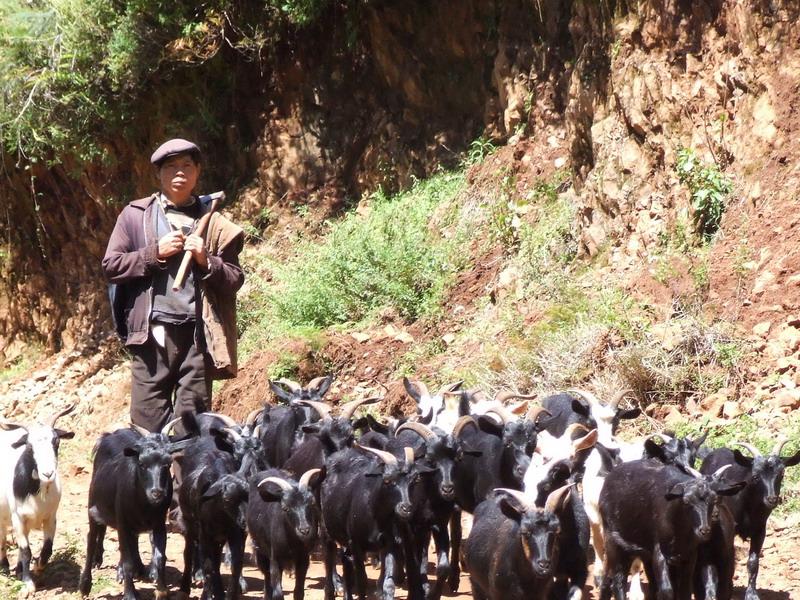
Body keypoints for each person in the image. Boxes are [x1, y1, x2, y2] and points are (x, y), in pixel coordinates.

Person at [102, 138, 245, 432]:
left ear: (197, 172)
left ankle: (185, 480)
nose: (179, 172)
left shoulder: (215, 223)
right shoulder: (136, 215)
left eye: (186, 166)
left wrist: (207, 260)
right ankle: (154, 480)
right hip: (152, 339)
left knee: (190, 432)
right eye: (171, 166)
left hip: (198, 339)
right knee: (146, 430)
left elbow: (234, 280)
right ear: (158, 174)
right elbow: (111, 266)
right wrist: (154, 253)